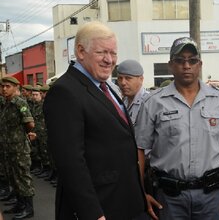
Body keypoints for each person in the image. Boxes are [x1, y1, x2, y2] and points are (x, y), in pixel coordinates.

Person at [43, 21, 146, 220]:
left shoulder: (106, 87)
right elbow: (71, 163)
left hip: (124, 203)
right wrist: (92, 214)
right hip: (100, 209)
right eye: (102, 52)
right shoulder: (65, 91)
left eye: (113, 53)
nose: (109, 60)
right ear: (81, 51)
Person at [135, 37, 219, 220]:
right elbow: (139, 150)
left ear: (200, 64)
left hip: (212, 196)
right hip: (169, 197)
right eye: (180, 60)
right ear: (170, 65)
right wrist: (141, 192)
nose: (186, 65)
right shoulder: (153, 103)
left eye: (192, 60)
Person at [1, 77, 35, 219]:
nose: (4, 89)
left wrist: (24, 134)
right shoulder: (6, 103)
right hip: (8, 147)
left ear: (16, 87)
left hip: (19, 148)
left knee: (22, 177)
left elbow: (30, 123)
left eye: (7, 86)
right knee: (13, 177)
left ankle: (28, 208)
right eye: (2, 86)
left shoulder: (19, 103)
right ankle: (20, 204)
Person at [116, 59, 149, 125]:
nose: (123, 83)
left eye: (128, 78)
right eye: (120, 78)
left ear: (141, 79)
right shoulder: (122, 102)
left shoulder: (149, 102)